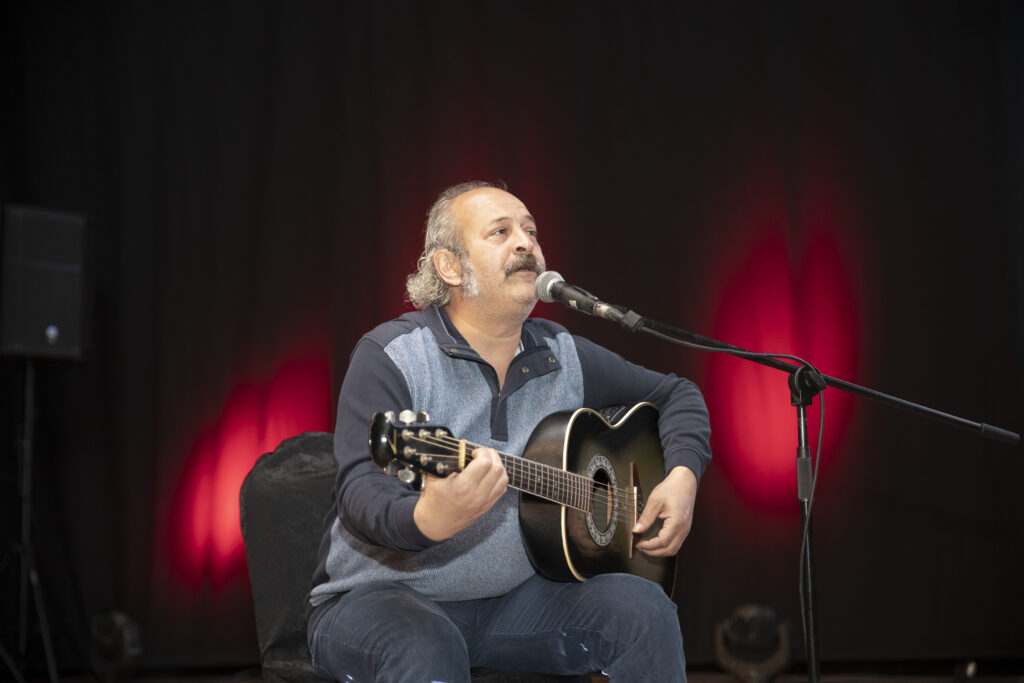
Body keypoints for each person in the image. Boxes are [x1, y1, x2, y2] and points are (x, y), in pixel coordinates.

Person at [307, 181, 712, 682]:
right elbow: (360, 491)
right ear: (450, 267)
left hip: (516, 604)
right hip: (380, 600)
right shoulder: (393, 355)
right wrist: (424, 520)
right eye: (500, 232)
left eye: (531, 232)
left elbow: (678, 394)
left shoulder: (562, 353)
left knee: (644, 610)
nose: (525, 243)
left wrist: (682, 476)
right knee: (426, 644)